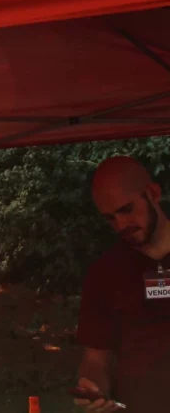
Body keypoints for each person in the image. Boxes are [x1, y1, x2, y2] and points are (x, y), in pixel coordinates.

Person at [75, 156, 170, 412]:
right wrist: (92, 387)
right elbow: (96, 358)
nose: (121, 225)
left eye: (126, 210)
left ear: (153, 193)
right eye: (110, 218)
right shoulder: (105, 274)